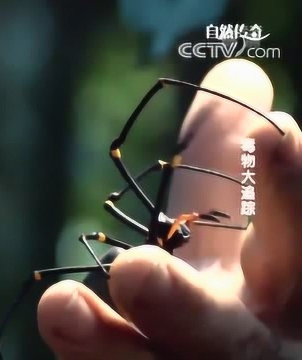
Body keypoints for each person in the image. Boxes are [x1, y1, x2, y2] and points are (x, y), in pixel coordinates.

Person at [37, 59, 302, 359]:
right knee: (85, 274)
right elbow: (95, 227)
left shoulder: (173, 230)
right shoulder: (150, 247)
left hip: (139, 282)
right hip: (115, 287)